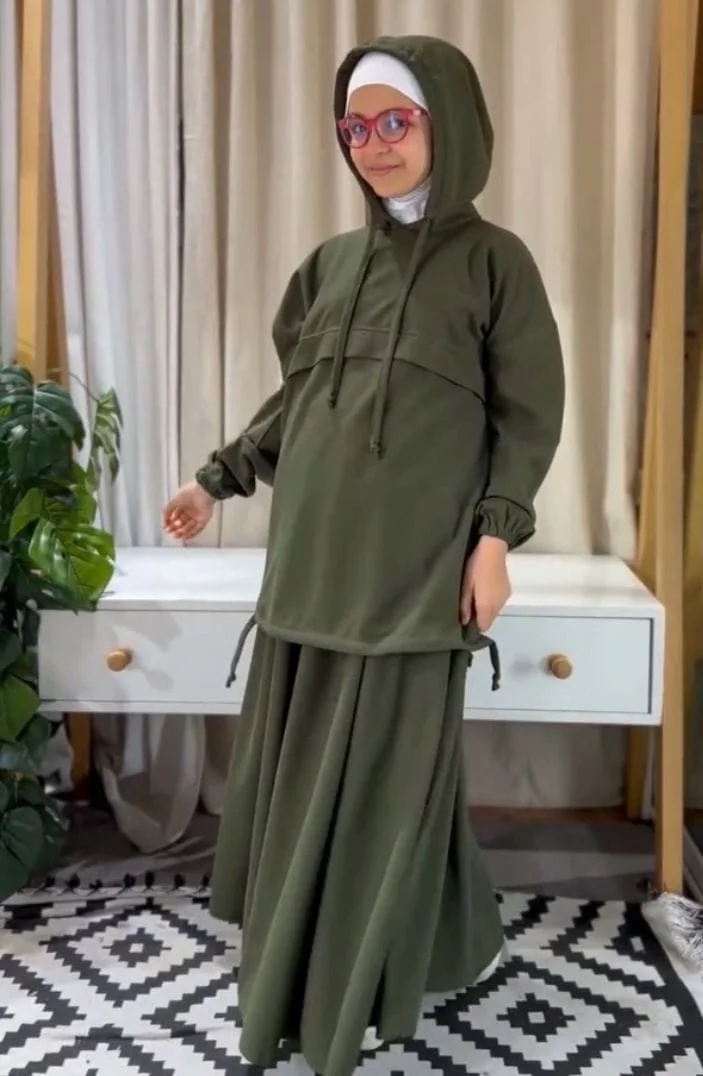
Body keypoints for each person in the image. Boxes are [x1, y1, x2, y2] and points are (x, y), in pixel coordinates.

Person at [163, 34, 564, 1076]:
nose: (373, 144)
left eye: (396, 121)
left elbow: (527, 418)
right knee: (305, 770)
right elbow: (296, 405)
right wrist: (215, 480)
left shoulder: (495, 264)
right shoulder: (328, 269)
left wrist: (495, 539)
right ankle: (314, 954)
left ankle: (362, 982)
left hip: (413, 572)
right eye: (355, 126)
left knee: (392, 773)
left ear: (448, 124)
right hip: (310, 567)